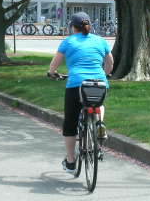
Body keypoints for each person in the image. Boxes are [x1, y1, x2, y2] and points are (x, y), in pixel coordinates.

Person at [47, 11, 114, 175]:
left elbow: (54, 65)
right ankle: (99, 123)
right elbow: (110, 63)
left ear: (73, 27)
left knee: (70, 124)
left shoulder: (68, 42)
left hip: (76, 84)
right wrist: (105, 74)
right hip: (98, 83)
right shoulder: (101, 41)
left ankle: (70, 161)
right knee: (99, 104)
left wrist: (52, 72)